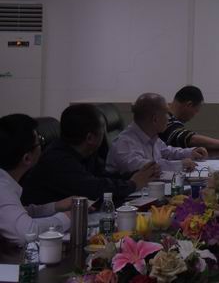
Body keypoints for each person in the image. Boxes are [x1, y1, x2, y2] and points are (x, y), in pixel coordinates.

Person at [22, 104, 159, 207]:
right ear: (90, 138)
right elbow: (95, 189)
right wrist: (132, 184)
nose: (104, 136)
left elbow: (103, 177)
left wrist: (139, 175)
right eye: (103, 132)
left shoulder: (85, 152)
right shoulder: (57, 160)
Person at [0, 114, 72, 244]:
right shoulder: (2, 188)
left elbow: (15, 214)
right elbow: (27, 232)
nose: (43, 146)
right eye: (40, 141)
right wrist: (67, 218)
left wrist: (55, 207)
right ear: (27, 158)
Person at [106, 93, 207, 174]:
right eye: (167, 113)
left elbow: (167, 151)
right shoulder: (124, 144)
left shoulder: (150, 135)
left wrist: (190, 152)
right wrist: (180, 165)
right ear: (155, 119)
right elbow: (147, 168)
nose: (169, 118)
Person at [161, 86, 219, 151]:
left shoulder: (169, 117)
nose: (195, 115)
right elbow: (188, 138)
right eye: (196, 111)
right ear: (189, 105)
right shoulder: (164, 118)